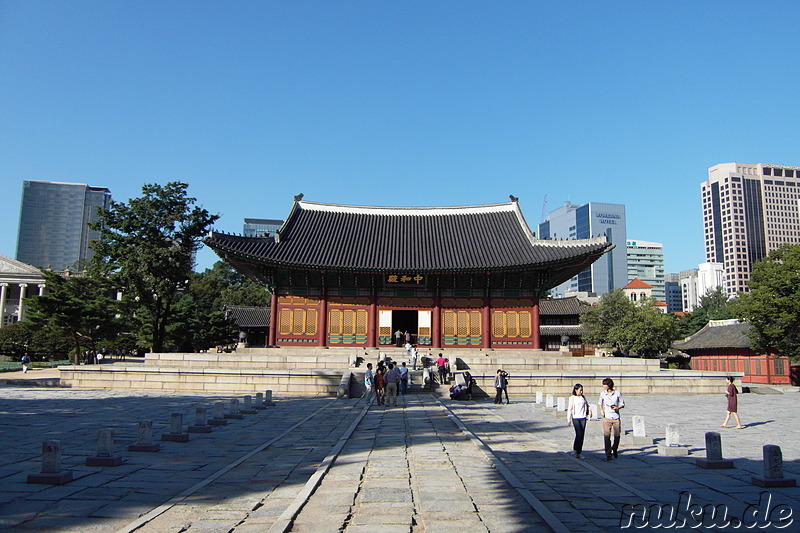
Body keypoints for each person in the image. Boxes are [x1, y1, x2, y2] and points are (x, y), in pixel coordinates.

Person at [598, 377, 624, 461]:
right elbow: (600, 403)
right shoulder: (602, 394)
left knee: (617, 435)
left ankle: (615, 448)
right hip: (607, 417)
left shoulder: (617, 393)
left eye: (605, 384)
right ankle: (608, 453)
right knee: (606, 436)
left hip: (616, 417)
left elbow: (622, 403)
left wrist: (617, 407)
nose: (604, 386)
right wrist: (602, 411)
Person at [567, 383, 591, 459]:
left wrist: (589, 412)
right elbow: (570, 409)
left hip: (583, 417)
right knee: (579, 434)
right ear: (576, 390)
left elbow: (587, 405)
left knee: (582, 435)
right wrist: (569, 419)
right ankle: (576, 449)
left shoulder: (583, 397)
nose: (581, 392)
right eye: (580, 390)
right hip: (576, 417)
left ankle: (579, 451)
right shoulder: (572, 398)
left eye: (582, 390)